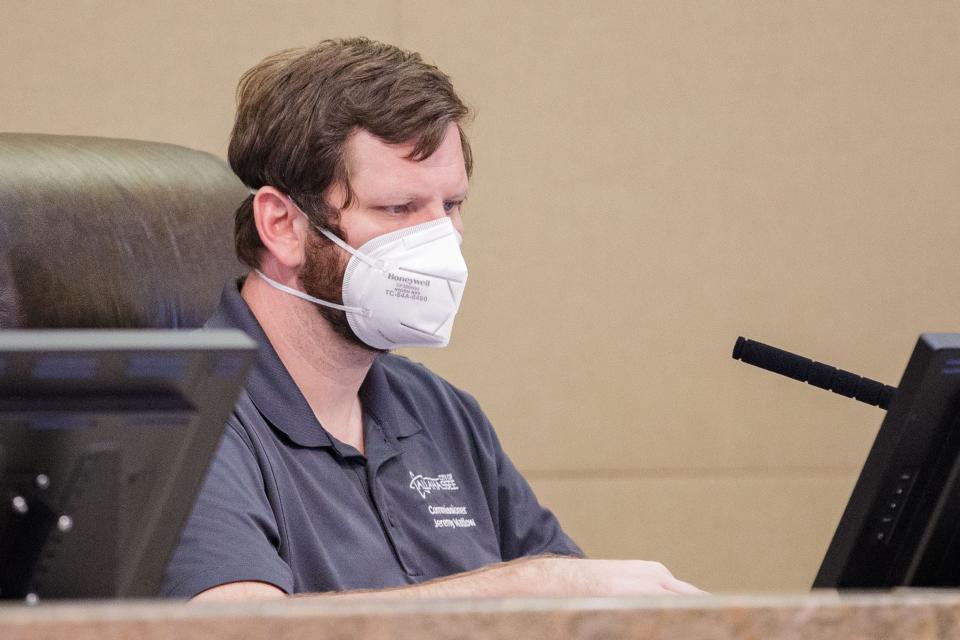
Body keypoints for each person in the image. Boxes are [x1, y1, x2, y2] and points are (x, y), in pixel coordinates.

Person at [161, 37, 702, 600]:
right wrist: (528, 583)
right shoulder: (185, 415)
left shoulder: (441, 414)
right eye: (399, 209)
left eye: (450, 207)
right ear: (281, 224)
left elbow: (575, 613)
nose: (439, 241)